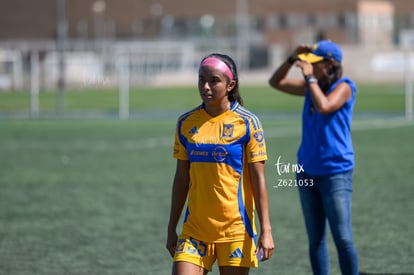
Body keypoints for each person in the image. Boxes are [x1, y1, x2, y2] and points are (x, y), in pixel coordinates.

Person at [166, 53, 275, 275]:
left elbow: (258, 180)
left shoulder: (248, 123)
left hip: (236, 230)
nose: (205, 86)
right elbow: (181, 178)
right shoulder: (186, 123)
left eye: (213, 80)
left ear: (230, 85)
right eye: (201, 79)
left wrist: (266, 230)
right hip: (195, 230)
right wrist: (171, 228)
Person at [268, 40, 359, 275]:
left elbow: (326, 106)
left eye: (315, 64)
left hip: (335, 172)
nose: (309, 67)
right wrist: (291, 58)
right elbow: (275, 82)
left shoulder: (345, 86)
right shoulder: (312, 87)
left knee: (343, 238)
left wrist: (310, 79)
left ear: (330, 64)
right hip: (306, 170)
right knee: (316, 239)